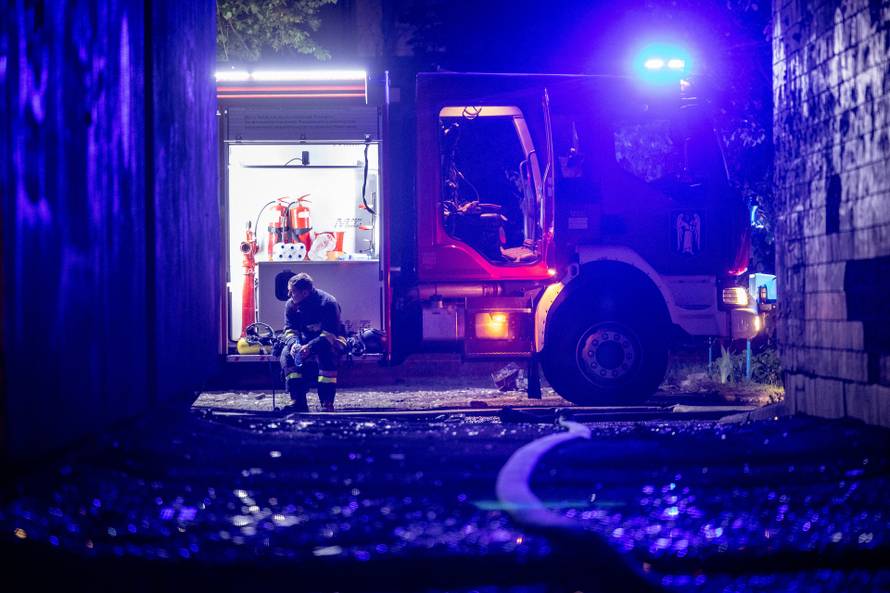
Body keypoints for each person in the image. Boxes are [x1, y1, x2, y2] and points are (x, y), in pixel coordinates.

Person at [279, 273, 347, 412]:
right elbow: (289, 329)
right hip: (305, 340)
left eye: (292, 291)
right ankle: (297, 401)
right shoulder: (291, 305)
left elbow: (330, 334)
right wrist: (293, 345)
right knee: (286, 355)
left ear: (305, 292)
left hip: (331, 339)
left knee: (327, 356)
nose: (289, 294)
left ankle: (326, 403)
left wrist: (310, 348)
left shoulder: (328, 303)